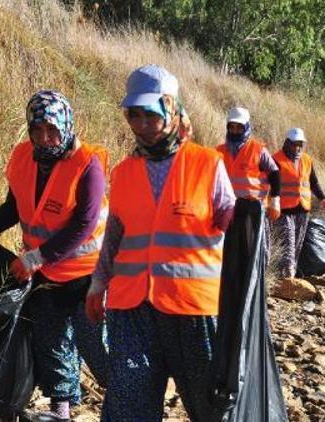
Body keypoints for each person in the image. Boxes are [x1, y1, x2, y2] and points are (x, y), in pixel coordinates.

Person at [85, 64, 235, 421]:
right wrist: (97, 284)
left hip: (193, 309)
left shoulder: (208, 164)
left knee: (210, 407)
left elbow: (237, 230)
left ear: (171, 109)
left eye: (149, 115)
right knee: (127, 402)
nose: (141, 126)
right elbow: (114, 237)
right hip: (132, 306)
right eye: (133, 116)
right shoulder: (123, 173)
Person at [0, 90, 108, 421]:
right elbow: (14, 208)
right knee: (51, 341)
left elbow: (84, 224)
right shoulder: (25, 157)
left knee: (98, 346)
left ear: (67, 125)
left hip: (88, 276)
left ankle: (128, 402)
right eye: (37, 130)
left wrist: (34, 259)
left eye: (52, 129)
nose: (45, 138)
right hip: (47, 276)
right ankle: (61, 410)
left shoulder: (88, 165)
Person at [216, 106, 281, 259]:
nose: (234, 131)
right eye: (231, 127)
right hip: (228, 208)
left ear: (246, 128)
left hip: (253, 210)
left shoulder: (258, 150)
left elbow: (275, 172)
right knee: (229, 252)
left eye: (239, 127)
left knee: (253, 253)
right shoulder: (219, 151)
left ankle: (255, 282)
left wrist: (275, 201)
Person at [272, 128, 325, 279]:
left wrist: (323, 198)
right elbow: (269, 185)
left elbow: (314, 182)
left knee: (297, 245)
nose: (297, 147)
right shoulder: (276, 160)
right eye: (294, 144)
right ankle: (285, 279)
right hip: (283, 211)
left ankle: (288, 275)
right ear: (287, 143)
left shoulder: (306, 160)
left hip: (302, 210)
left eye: (300, 144)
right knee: (288, 244)